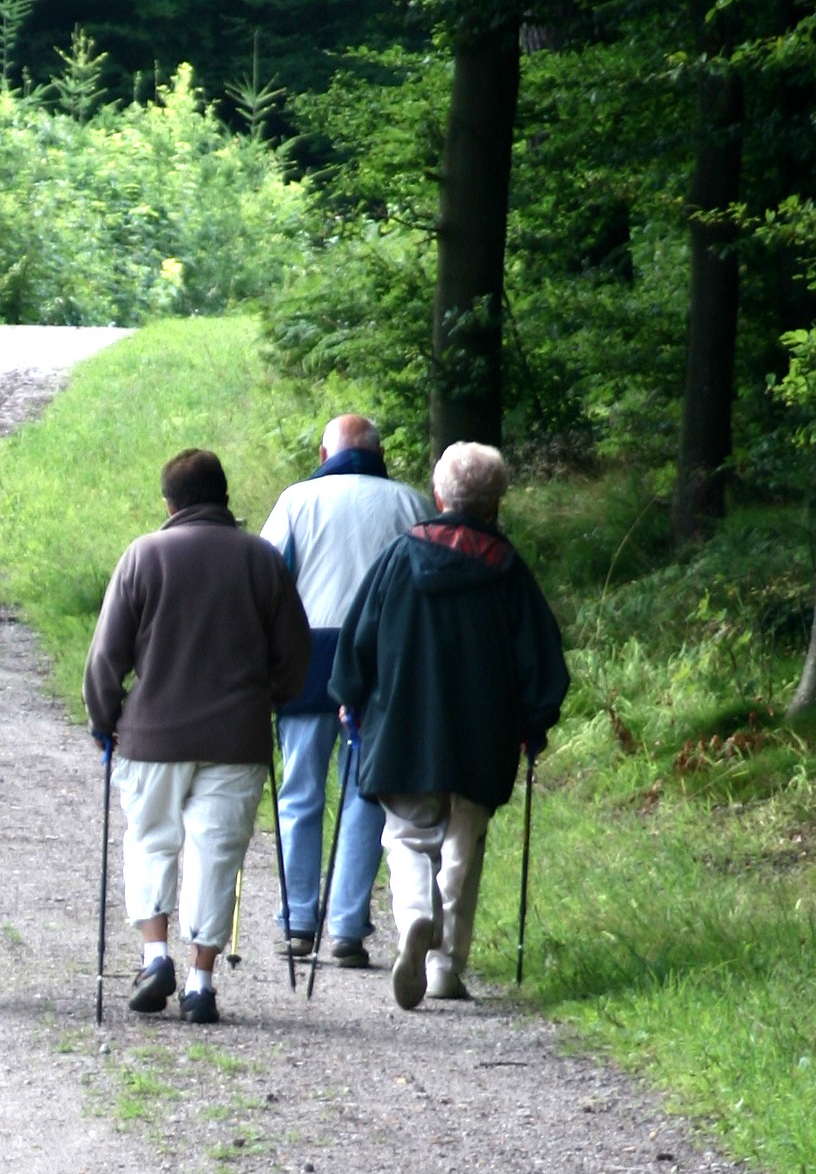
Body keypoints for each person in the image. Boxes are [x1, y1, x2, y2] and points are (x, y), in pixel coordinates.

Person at [329, 442, 570, 1010]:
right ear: (495, 503)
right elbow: (542, 660)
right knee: (462, 845)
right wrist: (536, 721)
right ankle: (444, 968)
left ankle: (417, 912)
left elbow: (358, 636)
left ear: (439, 495)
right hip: (483, 735)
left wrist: (348, 696)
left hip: (402, 727)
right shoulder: (508, 569)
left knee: (407, 836)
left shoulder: (399, 556)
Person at [84, 449, 310, 1023]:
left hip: (152, 736)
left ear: (170, 504)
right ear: (224, 497)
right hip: (236, 738)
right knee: (216, 855)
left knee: (150, 840)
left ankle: (155, 955)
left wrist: (104, 718)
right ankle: (200, 984)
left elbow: (106, 656)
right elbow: (295, 655)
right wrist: (269, 699)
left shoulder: (144, 555)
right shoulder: (262, 560)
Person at [258, 413, 431, 968]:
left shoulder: (296, 501)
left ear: (323, 453)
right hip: (382, 666)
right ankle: (348, 926)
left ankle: (297, 919)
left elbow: (267, 580)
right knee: (365, 794)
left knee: (299, 792)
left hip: (306, 661)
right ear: (379, 454)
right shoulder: (411, 505)